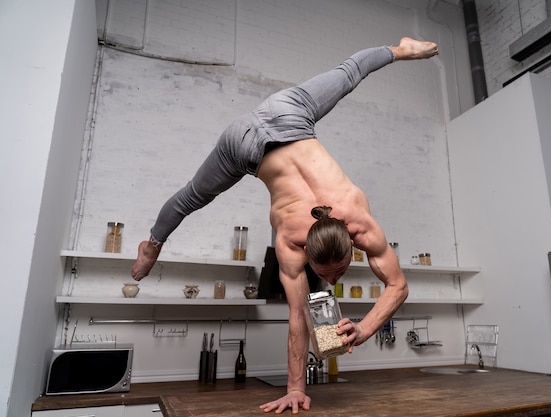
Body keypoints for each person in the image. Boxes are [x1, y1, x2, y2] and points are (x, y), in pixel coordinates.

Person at [131, 37, 439, 413]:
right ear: (306, 250)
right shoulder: (291, 243)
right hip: (259, 135)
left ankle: (401, 49)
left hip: (280, 117)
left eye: (338, 271)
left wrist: (364, 328)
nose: (336, 278)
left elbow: (398, 286)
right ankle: (151, 246)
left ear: (351, 240)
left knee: (352, 72)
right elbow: (299, 316)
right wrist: (296, 387)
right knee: (193, 196)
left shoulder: (359, 221)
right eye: (327, 272)